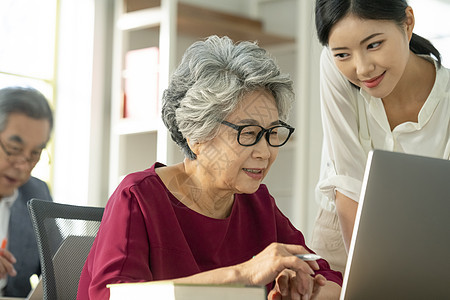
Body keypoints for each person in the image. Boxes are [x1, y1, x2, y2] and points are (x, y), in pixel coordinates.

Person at [78, 35, 342, 300]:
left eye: (272, 132)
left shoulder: (258, 203)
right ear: (197, 136)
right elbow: (112, 296)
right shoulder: (138, 198)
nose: (265, 152)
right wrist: (243, 275)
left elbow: (330, 278)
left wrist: (305, 290)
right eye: (248, 133)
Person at [310, 0, 450, 274]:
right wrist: (366, 276)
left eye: (373, 45)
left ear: (407, 23)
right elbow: (348, 181)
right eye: (343, 54)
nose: (362, 69)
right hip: (342, 228)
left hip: (428, 237)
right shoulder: (332, 64)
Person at [0, 86, 54, 297]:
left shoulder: (36, 193)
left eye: (34, 154)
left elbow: (57, 268)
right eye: (13, 150)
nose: (23, 166)